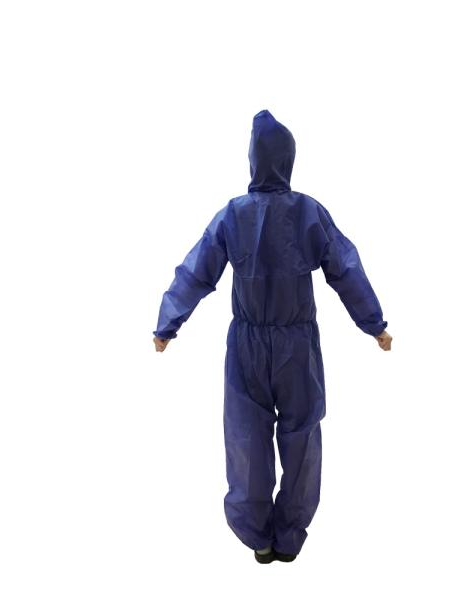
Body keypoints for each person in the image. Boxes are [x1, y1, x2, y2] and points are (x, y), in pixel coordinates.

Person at [153, 109, 392, 564]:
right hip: (296, 347)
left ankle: (259, 539)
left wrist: (169, 323)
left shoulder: (233, 215)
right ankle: (288, 536)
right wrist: (374, 324)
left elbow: (196, 270)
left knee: (247, 439)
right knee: (301, 438)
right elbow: (345, 269)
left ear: (252, 159)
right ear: (289, 159)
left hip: (248, 347)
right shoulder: (308, 212)